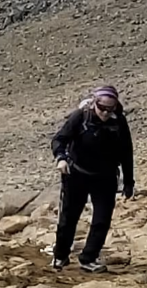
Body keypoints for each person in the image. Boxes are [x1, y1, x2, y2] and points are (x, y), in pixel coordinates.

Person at [49, 84, 134, 270]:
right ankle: (60, 255)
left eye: (109, 109)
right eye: (102, 107)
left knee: (102, 219)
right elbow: (59, 139)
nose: (105, 112)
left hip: (106, 177)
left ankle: (89, 258)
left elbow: (127, 152)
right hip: (76, 174)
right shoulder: (81, 117)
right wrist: (61, 158)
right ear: (95, 103)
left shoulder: (118, 121)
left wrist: (129, 182)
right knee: (68, 218)